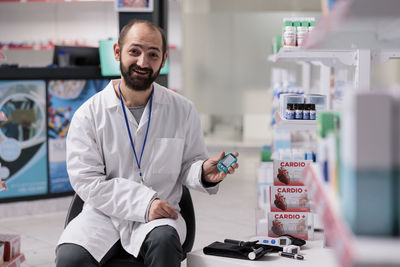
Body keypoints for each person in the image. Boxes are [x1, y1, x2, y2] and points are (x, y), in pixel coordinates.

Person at [55, 19, 239, 267]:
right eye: (134, 51)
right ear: (118, 53)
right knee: (70, 258)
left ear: (163, 61)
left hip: (161, 216)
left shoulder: (182, 110)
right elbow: (86, 180)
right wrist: (144, 203)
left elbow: (189, 164)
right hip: (103, 214)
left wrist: (204, 172)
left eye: (153, 54)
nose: (143, 62)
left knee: (163, 242)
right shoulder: (89, 114)